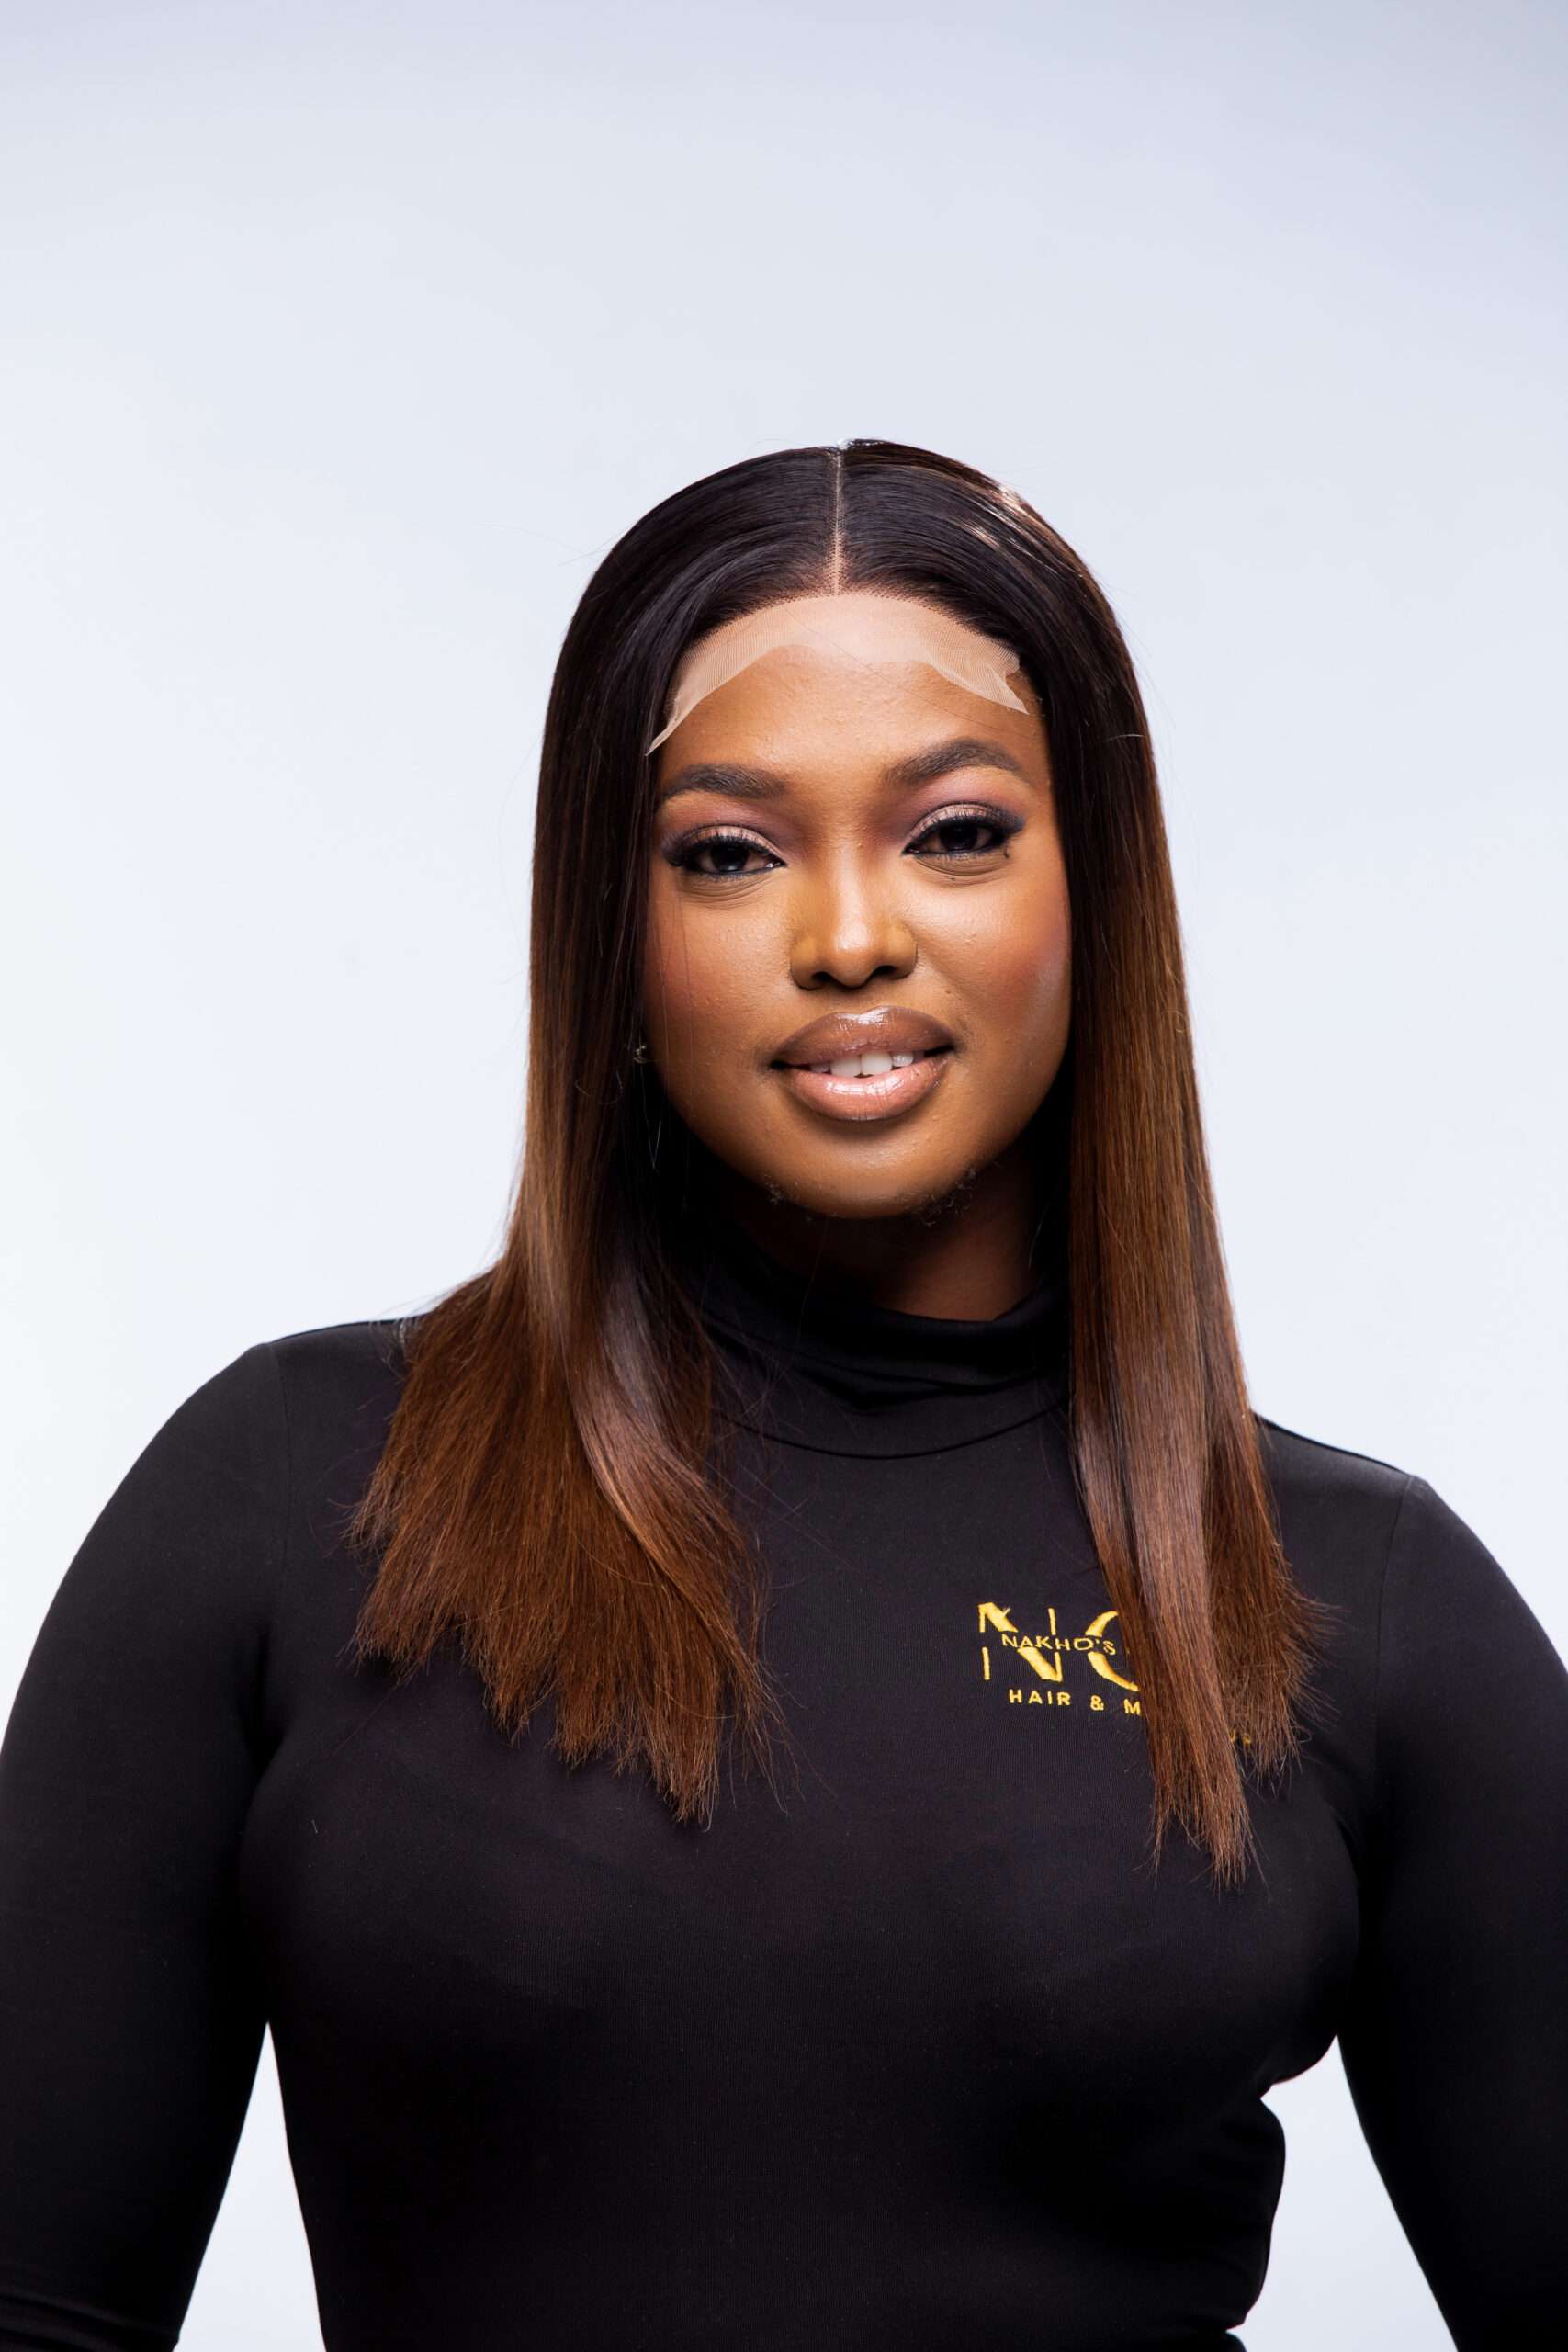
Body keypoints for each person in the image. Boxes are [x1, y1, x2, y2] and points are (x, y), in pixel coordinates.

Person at [2, 438, 1564, 2351]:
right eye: (729, 851)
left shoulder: (1352, 1596)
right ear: (614, 918)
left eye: (955, 831)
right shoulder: (293, 1502)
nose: (846, 937)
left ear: (1095, 885)